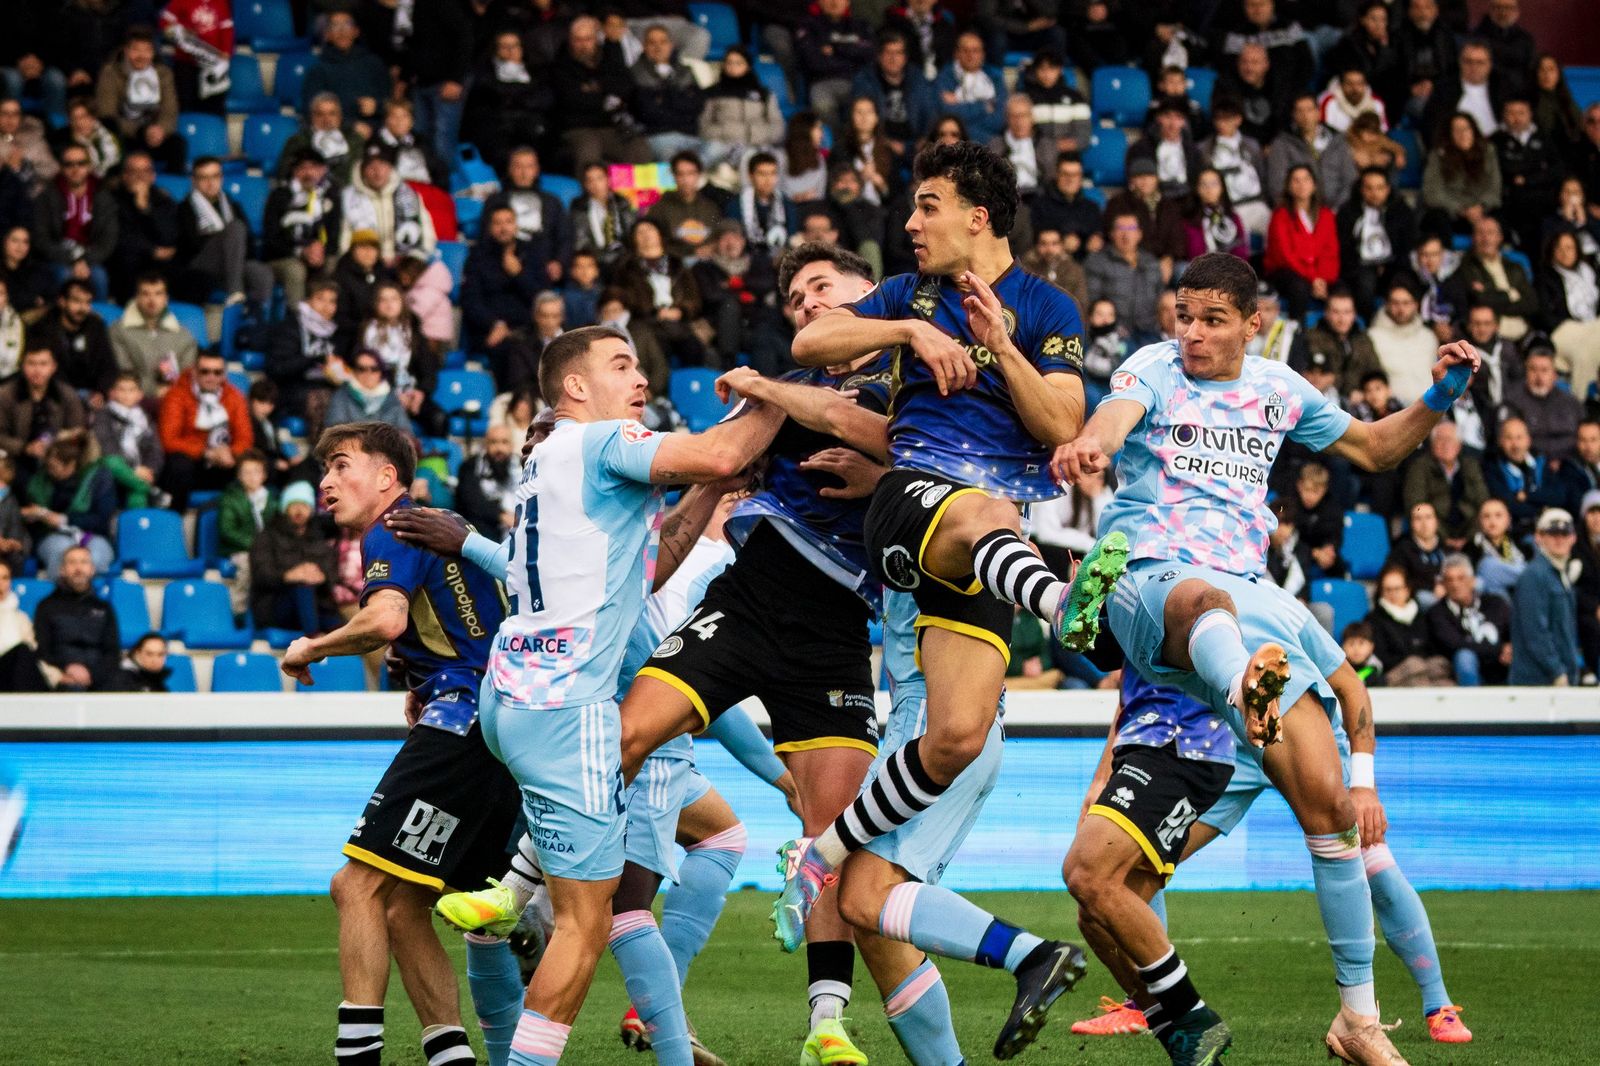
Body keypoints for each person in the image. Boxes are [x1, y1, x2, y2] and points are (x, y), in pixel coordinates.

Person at [1052, 251, 1478, 1063]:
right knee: (1198, 605)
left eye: (1213, 320)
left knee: (1332, 814)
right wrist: (1095, 446)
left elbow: (1380, 449)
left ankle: (1357, 1020)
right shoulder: (1151, 369)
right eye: (1185, 316)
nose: (1194, 335)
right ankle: (1237, 692)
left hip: (1252, 608)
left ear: (1254, 323)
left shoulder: (1282, 391)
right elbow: (1112, 416)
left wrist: (1441, 394)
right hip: (1150, 580)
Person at [774, 143, 1109, 1056]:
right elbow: (810, 343)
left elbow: (1063, 427)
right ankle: (1061, 604)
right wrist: (909, 334)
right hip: (913, 503)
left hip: (977, 556)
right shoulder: (900, 294)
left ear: (980, 217)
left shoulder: (1045, 308)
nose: (911, 224)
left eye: (927, 207)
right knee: (980, 510)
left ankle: (1009, 952)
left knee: (952, 742)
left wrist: (998, 345)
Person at [399, 326, 786, 1066]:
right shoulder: (607, 443)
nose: (639, 377)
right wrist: (784, 390)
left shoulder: (551, 457)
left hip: (512, 694)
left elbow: (656, 559)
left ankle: (512, 895)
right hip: (567, 710)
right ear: (575, 387)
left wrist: (711, 486)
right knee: (587, 919)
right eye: (620, 365)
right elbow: (725, 452)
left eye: (638, 364)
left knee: (586, 898)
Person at [269, 422, 516, 1066]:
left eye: (341, 465)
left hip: (460, 725)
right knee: (407, 903)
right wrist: (419, 673)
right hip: (503, 727)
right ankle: (451, 1054)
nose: (326, 481)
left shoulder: (392, 528)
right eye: (322, 470)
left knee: (354, 887)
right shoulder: (441, 523)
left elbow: (385, 619)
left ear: (388, 477)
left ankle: (357, 1054)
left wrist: (310, 648)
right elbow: (465, 619)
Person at [1072, 664, 1476, 1048]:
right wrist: (1102, 775)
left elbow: (1349, 684)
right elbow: (1134, 695)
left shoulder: (1274, 609)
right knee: (1139, 857)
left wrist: (1365, 785)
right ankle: (1145, 1005)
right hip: (1225, 744)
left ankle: (1438, 1005)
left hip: (1305, 741)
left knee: (1373, 865)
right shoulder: (1166, 600)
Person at [550, 16, 652, 172]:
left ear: (596, 39)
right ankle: (592, 196)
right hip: (579, 128)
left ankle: (636, 196)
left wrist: (595, 90)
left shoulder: (609, 57)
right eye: (578, 40)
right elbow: (572, 101)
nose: (583, 45)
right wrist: (606, 97)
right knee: (588, 153)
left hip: (611, 126)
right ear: (570, 40)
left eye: (588, 39)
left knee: (639, 147)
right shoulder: (561, 65)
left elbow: (626, 87)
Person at [157, 349, 253, 510]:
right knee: (179, 466)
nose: (211, 377)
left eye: (217, 372)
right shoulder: (176, 395)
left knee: (257, 466)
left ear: (224, 375)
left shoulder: (234, 396)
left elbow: (245, 437)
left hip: (224, 460)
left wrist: (231, 453)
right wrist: (205, 452)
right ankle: (175, 519)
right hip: (192, 461)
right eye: (205, 371)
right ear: (194, 372)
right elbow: (169, 440)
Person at [174, 156, 272, 307]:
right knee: (235, 228)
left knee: (261, 272)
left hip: (234, 263)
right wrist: (225, 239)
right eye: (204, 178)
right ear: (194, 181)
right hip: (202, 264)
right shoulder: (185, 208)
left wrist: (232, 246)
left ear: (222, 178)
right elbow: (191, 245)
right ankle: (235, 292)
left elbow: (249, 240)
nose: (210, 183)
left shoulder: (232, 205)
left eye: (215, 176)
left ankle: (252, 316)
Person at [248, 479, 338, 634]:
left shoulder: (318, 537)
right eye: (294, 505)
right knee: (302, 587)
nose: (299, 510)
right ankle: (313, 639)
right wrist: (289, 576)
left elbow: (332, 573)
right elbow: (261, 574)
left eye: (304, 505)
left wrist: (321, 576)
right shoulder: (267, 536)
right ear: (285, 508)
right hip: (276, 607)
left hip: (316, 606)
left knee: (347, 628)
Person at [22, 432, 115, 577]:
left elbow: (102, 520)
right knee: (63, 555)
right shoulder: (41, 481)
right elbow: (29, 512)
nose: (50, 471)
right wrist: (36, 515)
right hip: (52, 535)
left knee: (93, 558)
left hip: (92, 535)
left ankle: (90, 598)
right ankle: (61, 598)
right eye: (48, 466)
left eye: (54, 467)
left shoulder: (98, 478)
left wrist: (63, 519)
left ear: (71, 465)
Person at [1508, 508, 1584, 685]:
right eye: (1552, 534)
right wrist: (1557, 670)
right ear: (1538, 537)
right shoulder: (1534, 575)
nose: (1559, 539)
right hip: (1539, 681)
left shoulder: (1561, 575)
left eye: (1565, 534)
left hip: (1560, 676)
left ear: (1573, 538)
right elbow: (1535, 631)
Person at [93, 27, 183, 173]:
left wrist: (161, 129)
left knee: (178, 144)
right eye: (135, 49)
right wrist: (140, 131)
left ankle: (173, 188)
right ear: (126, 51)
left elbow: (170, 110)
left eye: (147, 50)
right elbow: (107, 114)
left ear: (153, 52)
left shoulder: (163, 73)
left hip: (155, 134)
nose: (142, 55)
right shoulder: (110, 73)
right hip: (126, 134)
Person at [34, 144, 117, 300]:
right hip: (57, 257)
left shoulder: (103, 197)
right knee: (64, 275)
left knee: (99, 277)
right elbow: (41, 238)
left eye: (81, 163)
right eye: (69, 164)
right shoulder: (47, 197)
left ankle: (98, 321)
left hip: (91, 259)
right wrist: (72, 260)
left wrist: (85, 260)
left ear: (89, 166)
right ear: (61, 167)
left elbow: (108, 240)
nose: (75, 168)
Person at [461, 205, 542, 364]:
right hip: (489, 329)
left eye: (508, 222)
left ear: (516, 225)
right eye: (497, 223)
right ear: (490, 227)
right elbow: (471, 300)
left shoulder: (531, 252)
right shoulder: (477, 256)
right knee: (508, 351)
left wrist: (519, 275)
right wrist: (494, 324)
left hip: (528, 328)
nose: (503, 228)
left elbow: (541, 297)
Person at [262, 148, 339, 310]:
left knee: (333, 263)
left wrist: (319, 251)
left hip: (318, 255)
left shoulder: (330, 196)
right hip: (283, 257)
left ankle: (326, 316)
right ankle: (297, 323)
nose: (309, 173)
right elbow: (271, 239)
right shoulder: (279, 195)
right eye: (303, 168)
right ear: (294, 171)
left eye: (314, 167)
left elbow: (334, 235)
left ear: (323, 170)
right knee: (295, 270)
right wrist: (301, 252)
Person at [32, 544, 118, 691]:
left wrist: (92, 675)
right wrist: (67, 667)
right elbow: (42, 650)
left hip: (100, 677)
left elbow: (112, 652)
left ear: (92, 569)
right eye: (72, 562)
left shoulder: (104, 608)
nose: (78, 568)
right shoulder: (46, 606)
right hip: (62, 677)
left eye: (84, 562)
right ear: (62, 570)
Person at [482, 148, 573, 281]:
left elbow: (565, 237)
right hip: (502, 267)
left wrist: (559, 262)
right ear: (510, 169)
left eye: (529, 166)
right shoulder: (495, 201)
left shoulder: (552, 202)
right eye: (518, 167)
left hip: (543, 269)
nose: (524, 173)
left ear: (536, 170)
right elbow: (486, 238)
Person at [1336, 168, 1415, 318]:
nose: (1374, 193)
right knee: (1365, 282)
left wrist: (1386, 265)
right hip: (1359, 267)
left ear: (1388, 189)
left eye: (1380, 188)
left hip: (1393, 266)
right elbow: (1344, 249)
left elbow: (1407, 247)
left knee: (1406, 281)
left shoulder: (1401, 211)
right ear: (1361, 189)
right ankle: (1368, 325)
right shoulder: (1348, 212)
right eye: (1369, 188)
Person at [264, 280, 341, 434]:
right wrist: (314, 360)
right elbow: (278, 369)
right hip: (292, 391)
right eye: (320, 299)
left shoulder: (335, 332)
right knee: (325, 401)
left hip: (325, 388)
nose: (326, 306)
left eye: (332, 301)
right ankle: (325, 456)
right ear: (307, 300)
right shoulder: (289, 327)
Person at [339, 143, 436, 266]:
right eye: (371, 167)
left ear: (390, 168)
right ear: (362, 170)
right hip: (365, 265)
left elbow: (427, 233)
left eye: (383, 165)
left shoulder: (408, 194)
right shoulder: (349, 198)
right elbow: (344, 239)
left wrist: (417, 259)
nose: (378, 172)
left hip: (404, 264)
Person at [1264, 165, 1340, 322]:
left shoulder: (1326, 215)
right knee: (1299, 287)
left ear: (1314, 184)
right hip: (1285, 272)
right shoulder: (1281, 215)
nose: (1302, 185)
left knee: (1342, 289)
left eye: (1306, 179)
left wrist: (1323, 278)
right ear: (1289, 186)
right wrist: (1313, 279)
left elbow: (1330, 251)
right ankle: (1297, 333)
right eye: (1296, 180)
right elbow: (1286, 255)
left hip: (1318, 274)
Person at [0, 345, 86, 481]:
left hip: (58, 457)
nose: (37, 370)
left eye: (43, 364)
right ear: (22, 366)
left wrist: (58, 445)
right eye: (31, 363)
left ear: (53, 367)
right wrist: (25, 448)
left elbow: (78, 430)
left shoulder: (66, 394)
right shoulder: (5, 395)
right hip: (16, 460)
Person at [1426, 552, 1512, 685]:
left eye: (1461, 578)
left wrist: (1511, 646)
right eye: (1449, 580)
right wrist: (1499, 649)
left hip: (1501, 669)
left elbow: (1514, 631)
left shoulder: (1495, 603)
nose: (1455, 585)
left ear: (1473, 581)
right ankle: (1472, 704)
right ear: (1442, 583)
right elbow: (1456, 644)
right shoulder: (1437, 613)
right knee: (1465, 656)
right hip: (1461, 674)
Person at [1492, 97, 1562, 258]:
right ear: (1503, 115)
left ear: (1530, 114)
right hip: (1510, 206)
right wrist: (1537, 170)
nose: (1516, 118)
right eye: (1511, 113)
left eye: (1521, 113)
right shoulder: (1495, 140)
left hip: (1544, 206)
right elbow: (1503, 171)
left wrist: (1527, 179)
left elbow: (1557, 171)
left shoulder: (1545, 138)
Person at [699, 45, 785, 175]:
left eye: (738, 63)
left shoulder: (763, 94)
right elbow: (704, 127)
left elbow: (778, 127)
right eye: (729, 63)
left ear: (748, 66)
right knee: (710, 152)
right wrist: (731, 133)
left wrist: (752, 134)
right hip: (724, 145)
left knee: (778, 158)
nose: (733, 67)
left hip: (758, 144)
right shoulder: (713, 93)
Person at [1266, 94, 1358, 215]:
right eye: (1300, 111)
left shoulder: (1338, 141)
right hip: (1300, 212)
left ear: (1318, 113)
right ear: (1293, 115)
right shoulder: (1282, 144)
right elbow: (1277, 186)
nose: (1305, 116)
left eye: (1309, 110)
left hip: (1339, 211)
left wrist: (1335, 211)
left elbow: (1350, 180)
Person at [108, 149, 179, 300]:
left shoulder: (163, 199)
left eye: (145, 171)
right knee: (127, 260)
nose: (140, 176)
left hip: (161, 261)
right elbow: (117, 237)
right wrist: (151, 250)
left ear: (153, 176)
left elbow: (169, 235)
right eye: (134, 171)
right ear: (125, 175)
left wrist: (145, 209)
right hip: (128, 261)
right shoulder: (111, 199)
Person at [1365, 563, 1452, 686]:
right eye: (1388, 589)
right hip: (1394, 674)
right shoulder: (1373, 620)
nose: (1393, 594)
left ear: (1407, 589)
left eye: (1397, 589)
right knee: (1415, 668)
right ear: (1381, 591)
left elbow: (1432, 648)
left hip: (1426, 669)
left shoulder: (1421, 616)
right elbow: (1381, 658)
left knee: (1442, 673)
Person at [299, 11, 389, 127]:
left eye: (347, 25)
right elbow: (311, 110)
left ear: (356, 31)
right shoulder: (318, 69)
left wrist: (377, 106)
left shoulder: (374, 64)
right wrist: (350, 126)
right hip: (336, 133)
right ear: (328, 35)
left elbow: (390, 102)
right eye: (335, 26)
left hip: (377, 130)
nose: (342, 31)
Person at [31, 279, 117, 400]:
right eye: (76, 301)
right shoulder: (43, 328)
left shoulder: (96, 325)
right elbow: (44, 370)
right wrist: (71, 397)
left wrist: (101, 392)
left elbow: (108, 365)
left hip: (93, 395)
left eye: (87, 302)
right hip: (56, 396)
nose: (82, 308)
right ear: (62, 302)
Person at [1421, 115, 1502, 242]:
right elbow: (1433, 193)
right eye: (1457, 130)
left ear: (1474, 131)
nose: (1462, 134)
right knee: (1436, 218)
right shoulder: (1438, 155)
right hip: (1452, 213)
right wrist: (1461, 210)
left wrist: (1480, 207)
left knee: (1501, 216)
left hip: (1481, 211)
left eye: (1466, 129)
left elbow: (1494, 188)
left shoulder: (1488, 152)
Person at [1539, 230, 1600, 396]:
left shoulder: (1589, 271)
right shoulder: (1545, 276)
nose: (1565, 253)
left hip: (1592, 326)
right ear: (1552, 251)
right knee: (1585, 353)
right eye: (1559, 248)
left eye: (1569, 247)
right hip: (1564, 328)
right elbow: (1544, 314)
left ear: (1577, 250)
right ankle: (1580, 402)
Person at [1085, 210, 1164, 337]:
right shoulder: (1097, 261)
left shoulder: (1151, 262)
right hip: (1113, 332)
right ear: (1111, 233)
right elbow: (1093, 300)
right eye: (1120, 228)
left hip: (1150, 330)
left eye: (1131, 228)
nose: (1125, 234)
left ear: (1139, 234)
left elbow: (1161, 296)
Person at [1199, 99, 1270, 238]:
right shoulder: (1204, 149)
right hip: (1227, 208)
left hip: (1256, 204)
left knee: (1276, 230)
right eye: (1219, 119)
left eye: (1228, 119)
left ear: (1238, 120)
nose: (1223, 124)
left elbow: (1262, 175)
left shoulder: (1252, 145)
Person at [91, 372, 163, 508]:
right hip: (114, 471)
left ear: (139, 394)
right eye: (121, 389)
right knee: (111, 461)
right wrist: (133, 468)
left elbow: (156, 449)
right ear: (112, 393)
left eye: (131, 390)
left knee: (136, 493)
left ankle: (135, 526)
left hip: (140, 472)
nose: (126, 394)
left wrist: (150, 469)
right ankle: (150, 491)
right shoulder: (103, 415)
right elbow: (107, 447)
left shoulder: (145, 419)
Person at [217, 449, 275, 613]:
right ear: (239, 476)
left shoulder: (272, 500)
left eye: (256, 471)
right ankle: (238, 612)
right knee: (247, 565)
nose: (251, 476)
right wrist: (256, 545)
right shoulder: (230, 498)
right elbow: (227, 530)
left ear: (264, 475)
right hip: (239, 550)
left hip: (267, 550)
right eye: (246, 472)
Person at [1367, 279, 1440, 406]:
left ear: (1416, 305)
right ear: (1387, 304)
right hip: (1393, 415)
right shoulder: (1373, 337)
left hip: (1430, 410)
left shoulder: (1428, 337)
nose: (1401, 309)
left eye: (1406, 303)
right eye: (1395, 303)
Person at [1504, 346, 1584, 460]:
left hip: (1570, 463)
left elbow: (1585, 435)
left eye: (1544, 370)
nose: (1539, 376)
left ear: (1555, 375)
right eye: (1533, 369)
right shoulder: (1513, 401)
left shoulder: (1571, 402)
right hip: (1531, 463)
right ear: (1525, 372)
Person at [933, 32, 1007, 143]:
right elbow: (947, 114)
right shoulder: (945, 77)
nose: (970, 55)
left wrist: (959, 103)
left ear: (983, 54)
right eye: (965, 50)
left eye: (975, 51)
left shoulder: (995, 78)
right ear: (956, 53)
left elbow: (999, 120)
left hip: (990, 143)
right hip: (954, 143)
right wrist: (983, 106)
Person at [276, 92, 365, 184]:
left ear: (340, 116)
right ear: (312, 117)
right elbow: (283, 174)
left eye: (332, 114)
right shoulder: (297, 141)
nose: (326, 120)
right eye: (320, 114)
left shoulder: (354, 140)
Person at [325, 350, 410, 433]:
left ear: (381, 372)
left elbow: (405, 432)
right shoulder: (341, 396)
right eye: (361, 369)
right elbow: (334, 432)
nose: (368, 373)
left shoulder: (392, 397)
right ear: (354, 371)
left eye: (374, 369)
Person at [1178, 168, 1250, 262]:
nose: (1209, 189)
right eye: (1204, 184)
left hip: (1232, 270)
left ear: (1222, 187)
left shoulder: (1233, 217)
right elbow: (1194, 253)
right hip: (1202, 270)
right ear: (1197, 189)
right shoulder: (1189, 220)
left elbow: (1241, 251)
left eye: (1214, 184)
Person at [1466, 496, 1526, 599]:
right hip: (1488, 599)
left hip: (1520, 595)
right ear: (1479, 521)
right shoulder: (1470, 548)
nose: (1492, 521)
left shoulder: (1522, 545)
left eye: (1498, 515)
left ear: (1508, 520)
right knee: (1488, 566)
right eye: (1486, 516)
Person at [0, 558, 45, 692]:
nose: (0, 583)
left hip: (14, 676)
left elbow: (34, 654)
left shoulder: (21, 618)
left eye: (5, 578)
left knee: (23, 653)